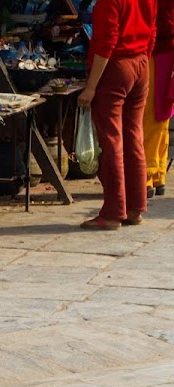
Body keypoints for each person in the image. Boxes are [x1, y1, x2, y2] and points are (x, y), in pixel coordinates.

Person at [78, 0, 158, 229]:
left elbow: (106, 42)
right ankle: (135, 208)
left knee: (111, 141)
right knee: (134, 138)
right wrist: (142, 60)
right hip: (140, 64)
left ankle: (113, 212)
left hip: (116, 67)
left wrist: (91, 87)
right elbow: (152, 30)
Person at [144, 0, 174, 197]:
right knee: (161, 113)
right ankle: (158, 174)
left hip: (157, 50)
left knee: (149, 115)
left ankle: (146, 175)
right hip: (166, 50)